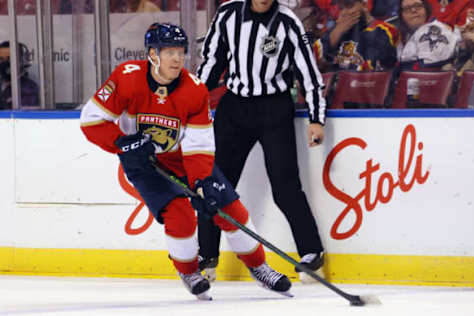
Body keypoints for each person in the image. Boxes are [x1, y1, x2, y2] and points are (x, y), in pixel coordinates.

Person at [79, 22, 291, 300]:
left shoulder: (195, 90)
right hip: (144, 164)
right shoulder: (127, 77)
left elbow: (198, 146)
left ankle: (259, 267)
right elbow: (91, 120)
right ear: (153, 55)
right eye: (169, 52)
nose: (178, 59)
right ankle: (190, 271)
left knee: (231, 210)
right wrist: (122, 142)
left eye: (180, 52)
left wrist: (202, 182)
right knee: (179, 215)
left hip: (182, 159)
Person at [197, 0, 327, 284]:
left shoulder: (288, 22)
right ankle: (205, 256)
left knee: (285, 185)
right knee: (214, 185)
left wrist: (316, 118)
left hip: (274, 110)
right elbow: (212, 62)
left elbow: (310, 76)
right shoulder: (228, 13)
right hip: (234, 110)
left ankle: (311, 253)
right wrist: (188, 103)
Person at [319, 0, 399, 72]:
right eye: (341, 8)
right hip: (336, 86)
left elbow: (372, 68)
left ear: (364, 5)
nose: (344, 13)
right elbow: (314, 63)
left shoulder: (384, 30)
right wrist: (334, 36)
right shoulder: (336, 30)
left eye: (349, 6)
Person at [397, 0, 461, 70]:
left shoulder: (434, 29)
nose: (413, 10)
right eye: (407, 8)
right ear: (401, 15)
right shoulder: (404, 35)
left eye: (418, 6)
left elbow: (429, 68)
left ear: (426, 9)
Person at [0, 41, 39, 109]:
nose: (4, 63)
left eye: (9, 59)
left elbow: (23, 115)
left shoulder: (29, 88)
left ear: (21, 61)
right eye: (1, 59)